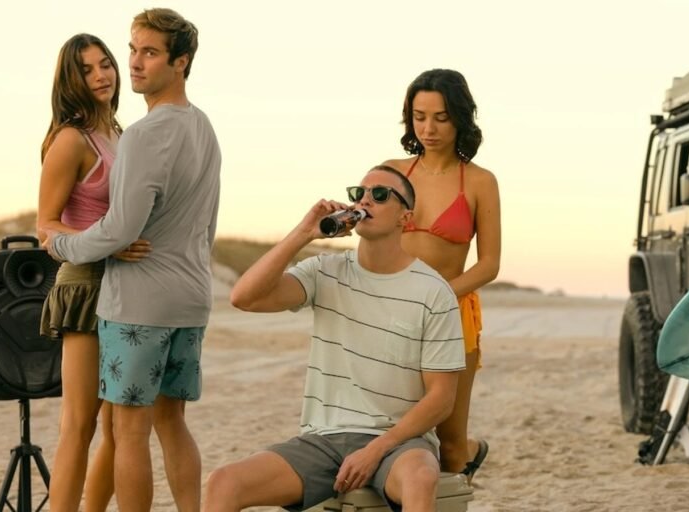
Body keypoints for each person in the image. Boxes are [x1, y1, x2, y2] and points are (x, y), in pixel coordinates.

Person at [204, 166, 466, 512]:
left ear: (406, 217)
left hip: (401, 443)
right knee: (224, 482)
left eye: (381, 194)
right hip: (324, 440)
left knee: (420, 478)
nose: (366, 200)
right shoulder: (325, 271)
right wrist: (303, 233)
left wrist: (375, 449)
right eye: (360, 193)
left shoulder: (433, 292)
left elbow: (441, 400)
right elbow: (244, 298)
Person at [44, 8, 220, 512]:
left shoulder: (141, 134)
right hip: (191, 298)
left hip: (139, 301)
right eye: (133, 50)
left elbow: (120, 229)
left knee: (128, 429)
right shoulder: (205, 127)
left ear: (180, 62)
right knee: (172, 421)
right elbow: (208, 224)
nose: (133, 64)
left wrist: (60, 244)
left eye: (149, 53)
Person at [36, 33, 151, 512]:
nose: (102, 75)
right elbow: (45, 227)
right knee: (79, 424)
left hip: (129, 288)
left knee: (115, 428)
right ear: (71, 79)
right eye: (87, 69)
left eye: (106, 64)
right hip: (84, 286)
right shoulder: (70, 140)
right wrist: (107, 244)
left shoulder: (123, 135)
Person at [381, 68, 500, 482]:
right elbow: (367, 234)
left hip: (450, 314)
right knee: (385, 431)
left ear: (461, 118)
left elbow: (489, 264)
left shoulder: (481, 181)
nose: (428, 128)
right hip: (390, 312)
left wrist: (434, 296)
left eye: (441, 118)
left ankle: (469, 452)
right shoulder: (392, 173)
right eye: (419, 116)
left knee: (450, 443)